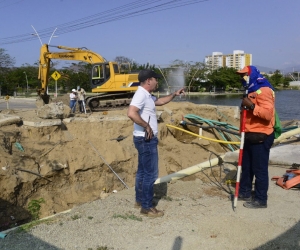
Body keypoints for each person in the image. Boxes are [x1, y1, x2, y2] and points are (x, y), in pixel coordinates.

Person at [127, 69, 185, 217]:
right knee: (150, 174)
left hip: (142, 138)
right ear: (148, 81)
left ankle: (140, 200)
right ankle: (147, 207)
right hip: (146, 139)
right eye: (155, 79)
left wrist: (174, 94)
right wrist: (147, 126)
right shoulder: (140, 94)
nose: (157, 82)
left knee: (142, 171)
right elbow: (131, 112)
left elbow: (159, 101)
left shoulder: (146, 95)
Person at [236, 65, 275, 209]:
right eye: (241, 75)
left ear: (252, 74)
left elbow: (268, 115)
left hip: (261, 135)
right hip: (248, 135)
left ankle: (260, 199)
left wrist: (252, 106)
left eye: (244, 75)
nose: (242, 78)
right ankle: (245, 192)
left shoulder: (263, 90)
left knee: (259, 169)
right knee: (247, 167)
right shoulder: (250, 90)